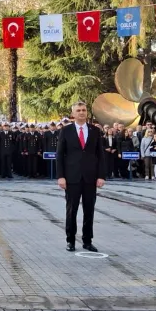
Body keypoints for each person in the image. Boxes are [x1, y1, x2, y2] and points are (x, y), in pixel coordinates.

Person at [55, 101, 106, 252]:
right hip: (72, 177)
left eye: (84, 110)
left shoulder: (95, 131)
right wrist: (61, 176)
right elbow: (59, 155)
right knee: (72, 210)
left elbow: (100, 155)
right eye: (78, 110)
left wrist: (101, 176)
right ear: (73, 114)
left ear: (87, 113)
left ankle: (87, 241)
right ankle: (70, 240)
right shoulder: (66, 131)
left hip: (90, 177)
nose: (82, 112)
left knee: (89, 210)